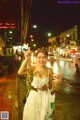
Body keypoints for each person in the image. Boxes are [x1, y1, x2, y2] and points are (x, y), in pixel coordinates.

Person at [18, 50, 54, 120]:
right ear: (36, 58)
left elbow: (50, 86)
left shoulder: (50, 71)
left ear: (46, 58)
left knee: (42, 116)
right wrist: (27, 58)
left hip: (44, 98)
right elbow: (20, 72)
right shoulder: (33, 68)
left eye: (44, 57)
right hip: (33, 97)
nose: (41, 60)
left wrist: (46, 88)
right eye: (39, 57)